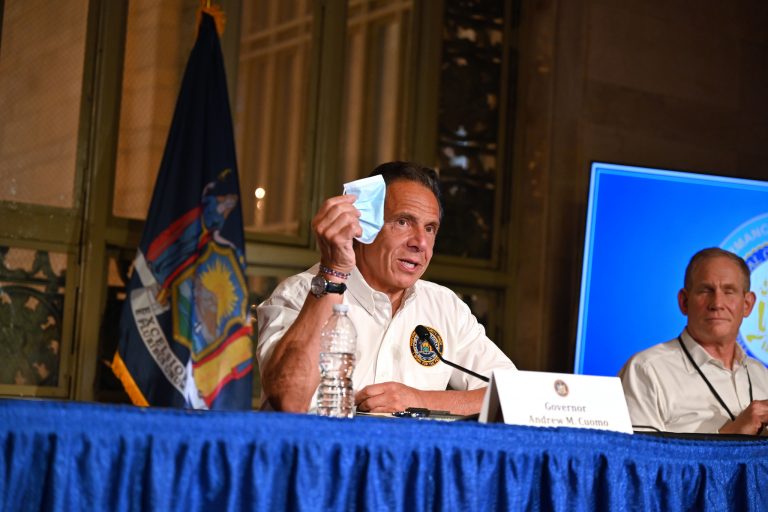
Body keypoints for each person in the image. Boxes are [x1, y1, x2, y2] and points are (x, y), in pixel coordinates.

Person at [256, 161, 515, 414]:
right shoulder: (299, 293)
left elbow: (515, 394)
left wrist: (419, 400)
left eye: (430, 228)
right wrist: (332, 275)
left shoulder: (445, 306)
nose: (420, 243)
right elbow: (289, 400)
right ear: (364, 225)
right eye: (403, 222)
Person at [619, 247, 768, 435]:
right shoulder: (646, 371)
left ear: (747, 305)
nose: (717, 304)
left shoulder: (763, 377)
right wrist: (729, 438)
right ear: (684, 302)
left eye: (729, 291)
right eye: (706, 290)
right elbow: (640, 462)